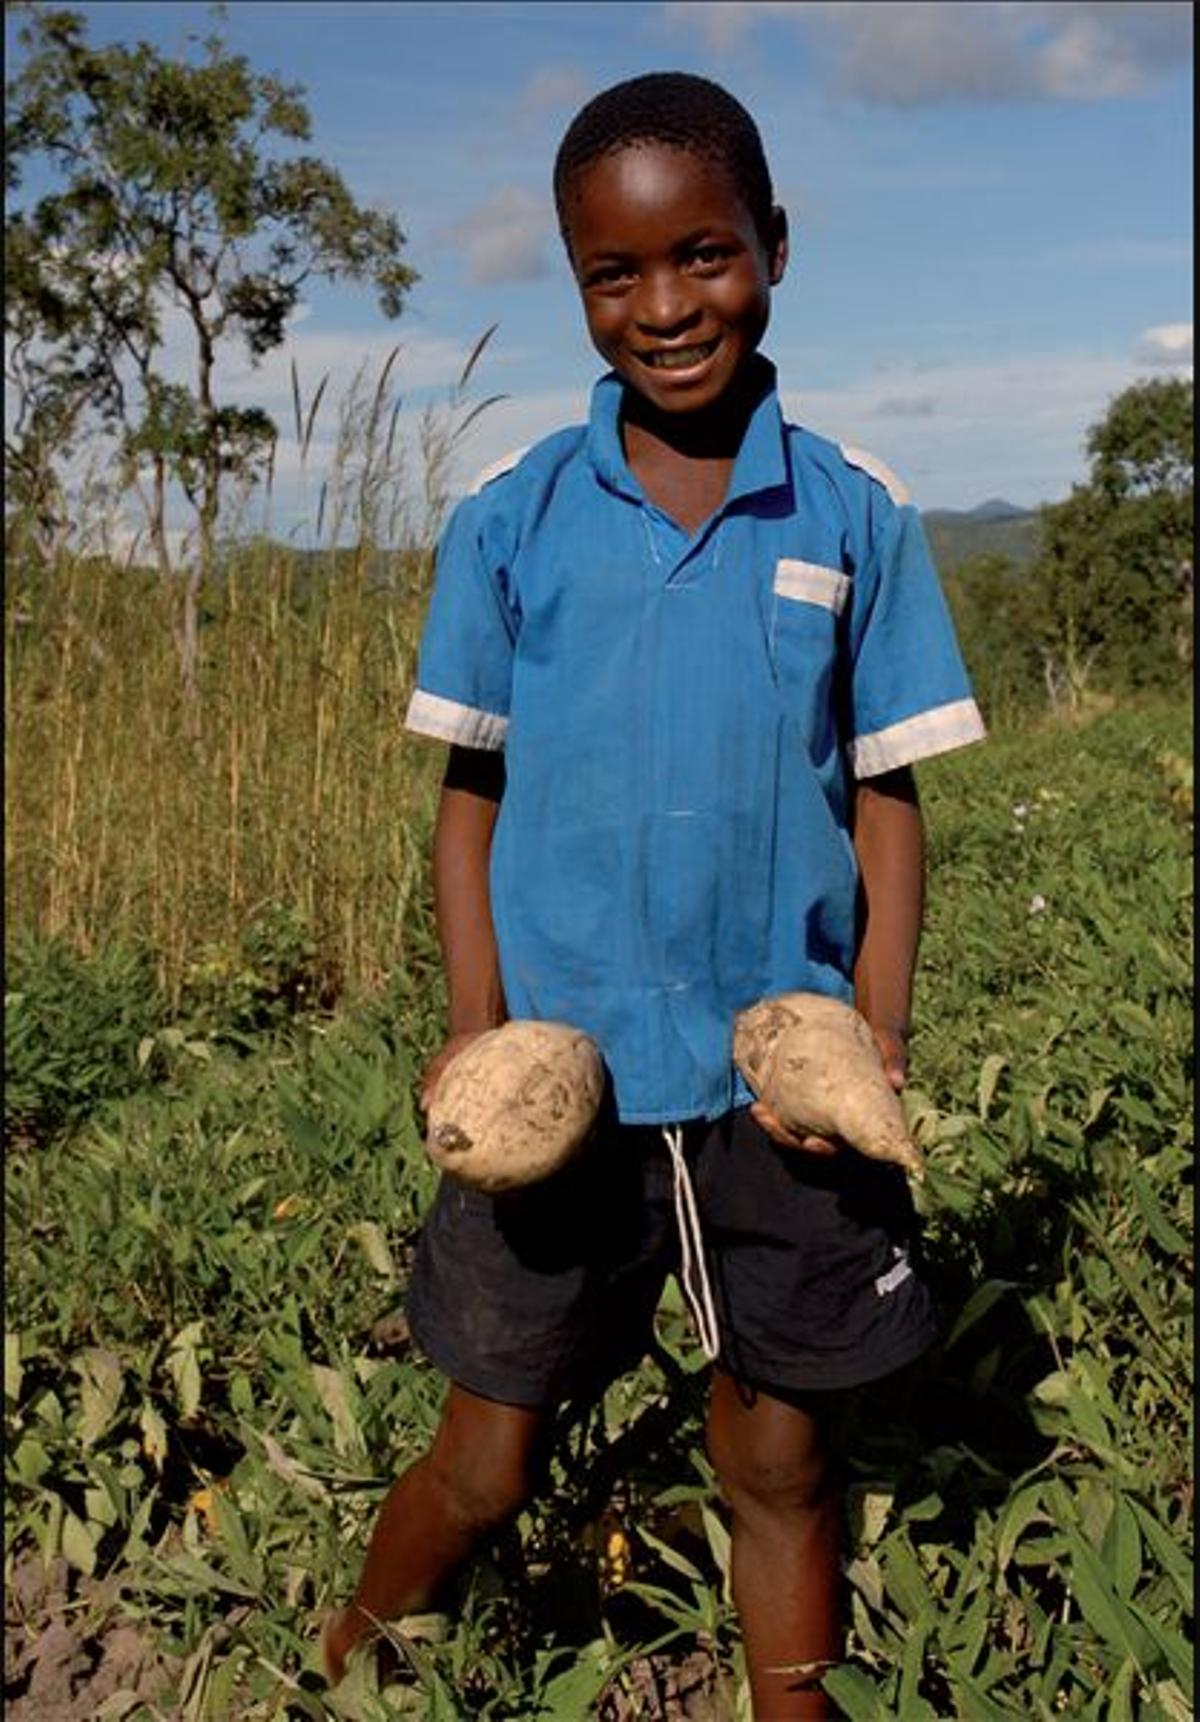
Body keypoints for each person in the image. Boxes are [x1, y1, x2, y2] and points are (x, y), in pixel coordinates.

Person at [323, 71, 984, 1718]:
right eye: (614, 274)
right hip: (573, 1070)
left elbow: (886, 797)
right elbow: (468, 800)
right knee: (487, 1456)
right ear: (573, 282)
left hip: (778, 1083)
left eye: (704, 255)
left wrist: (871, 1037)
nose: (666, 306)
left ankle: (791, 1697)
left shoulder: (853, 508)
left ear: (773, 243)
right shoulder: (513, 519)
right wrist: (481, 1033)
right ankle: (346, 1663)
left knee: (781, 1451)